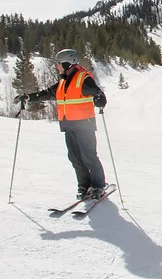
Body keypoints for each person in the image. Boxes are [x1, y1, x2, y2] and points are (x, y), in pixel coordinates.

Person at [13, 48, 108, 200]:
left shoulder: (83, 78)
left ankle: (98, 186)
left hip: (84, 125)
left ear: (67, 63)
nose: (57, 66)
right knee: (75, 157)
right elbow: (46, 93)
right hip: (69, 125)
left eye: (59, 63)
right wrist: (28, 97)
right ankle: (84, 185)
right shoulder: (63, 82)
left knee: (89, 156)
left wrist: (99, 100)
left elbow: (99, 95)